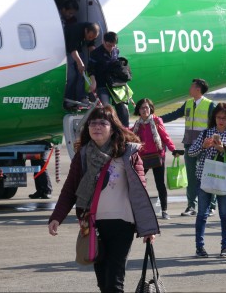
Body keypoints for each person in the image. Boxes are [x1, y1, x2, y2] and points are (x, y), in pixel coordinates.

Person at [48, 105, 159, 292]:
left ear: (113, 127)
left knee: (114, 280)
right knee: (102, 280)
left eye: (102, 123)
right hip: (93, 224)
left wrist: (148, 227)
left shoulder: (127, 154)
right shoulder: (83, 155)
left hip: (122, 224)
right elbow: (69, 189)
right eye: (92, 123)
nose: (96, 127)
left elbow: (140, 192)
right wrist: (56, 217)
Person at [188, 103, 226, 259]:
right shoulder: (206, 133)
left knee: (224, 214)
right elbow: (191, 152)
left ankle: (225, 247)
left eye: (224, 118)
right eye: (218, 117)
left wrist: (223, 149)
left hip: (224, 178)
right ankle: (200, 247)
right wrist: (203, 146)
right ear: (214, 118)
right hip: (205, 178)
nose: (221, 121)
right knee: (202, 214)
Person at [161, 78, 217, 217]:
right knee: (191, 177)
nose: (189, 89)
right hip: (190, 145)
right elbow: (174, 115)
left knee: (207, 176)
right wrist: (157, 119)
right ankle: (191, 206)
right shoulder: (188, 103)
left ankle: (211, 206)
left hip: (205, 146)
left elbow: (217, 126)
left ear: (198, 89)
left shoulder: (210, 105)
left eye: (192, 86)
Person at [132, 98, 178, 220]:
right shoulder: (137, 124)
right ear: (138, 110)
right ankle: (137, 209)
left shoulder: (157, 121)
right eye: (142, 108)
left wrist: (173, 149)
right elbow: (130, 134)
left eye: (146, 107)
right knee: (138, 183)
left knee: (160, 184)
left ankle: (164, 210)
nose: (144, 110)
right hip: (142, 157)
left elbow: (165, 136)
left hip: (157, 156)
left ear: (150, 108)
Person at [88, 31, 130, 127]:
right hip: (102, 84)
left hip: (115, 84)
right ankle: (107, 129)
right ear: (103, 41)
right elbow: (90, 69)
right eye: (108, 45)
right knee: (105, 109)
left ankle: (125, 129)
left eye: (113, 46)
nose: (111, 48)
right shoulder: (95, 53)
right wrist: (93, 81)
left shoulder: (116, 50)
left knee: (123, 108)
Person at [63, 22, 100, 110]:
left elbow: (91, 46)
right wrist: (80, 63)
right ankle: (69, 99)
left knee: (82, 75)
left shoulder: (92, 32)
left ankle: (82, 98)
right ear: (86, 31)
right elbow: (73, 50)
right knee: (72, 75)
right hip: (68, 51)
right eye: (89, 37)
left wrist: (96, 59)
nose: (90, 39)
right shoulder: (76, 30)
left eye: (93, 38)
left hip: (78, 51)